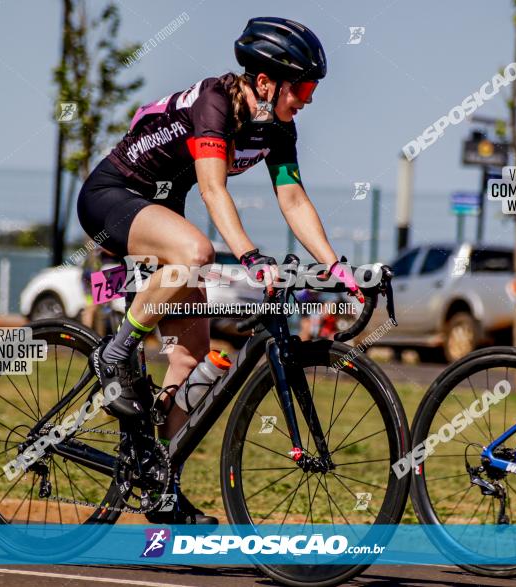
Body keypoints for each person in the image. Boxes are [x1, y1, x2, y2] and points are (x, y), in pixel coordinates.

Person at [76, 17, 361, 524]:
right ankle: (114, 352)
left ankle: (159, 484)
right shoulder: (215, 101)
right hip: (113, 198)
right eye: (305, 86)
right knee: (197, 253)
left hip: (163, 213)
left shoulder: (280, 128)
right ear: (266, 82)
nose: (310, 98)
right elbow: (212, 189)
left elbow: (293, 199)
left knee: (190, 363)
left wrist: (336, 267)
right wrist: (250, 255)